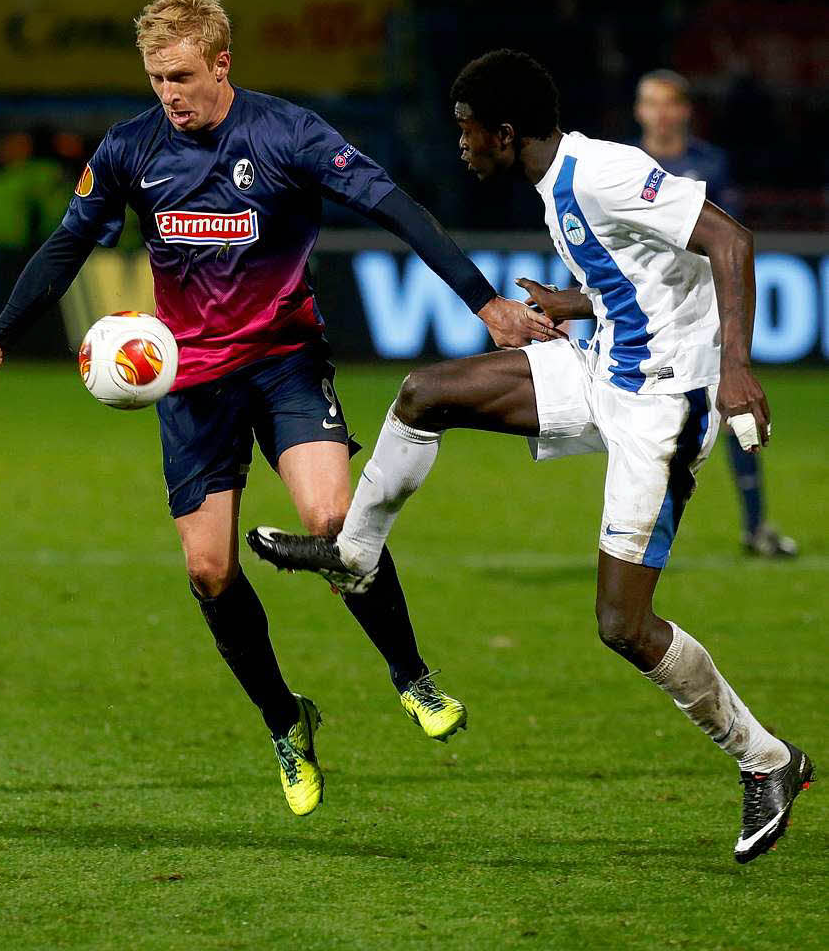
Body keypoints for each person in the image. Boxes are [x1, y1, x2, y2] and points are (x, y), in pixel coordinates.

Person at [0, 0, 559, 818]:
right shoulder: (131, 147)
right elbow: (66, 244)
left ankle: (412, 676)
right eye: (157, 78)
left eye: (183, 76)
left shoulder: (287, 135)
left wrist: (484, 304)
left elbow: (394, 207)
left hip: (285, 364)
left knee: (336, 523)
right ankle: (285, 722)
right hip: (191, 383)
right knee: (208, 569)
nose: (170, 93)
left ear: (222, 63)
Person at [247, 50, 814, 861]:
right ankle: (355, 550)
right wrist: (572, 302)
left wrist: (735, 369)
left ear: (505, 132)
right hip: (604, 367)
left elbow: (728, 239)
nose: (462, 145)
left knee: (622, 624)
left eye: (468, 131)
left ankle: (768, 760)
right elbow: (651, 275)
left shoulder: (601, 172)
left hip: (664, 406)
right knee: (424, 393)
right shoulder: (558, 186)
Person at [634, 69, 797, 558]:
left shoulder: (709, 164)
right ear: (640, 111)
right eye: (651, 103)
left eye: (669, 103)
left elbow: (730, 237)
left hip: (702, 309)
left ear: (684, 109)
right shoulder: (623, 163)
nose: (661, 113)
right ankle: (636, 532)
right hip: (641, 310)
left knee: (733, 412)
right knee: (644, 421)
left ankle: (755, 526)